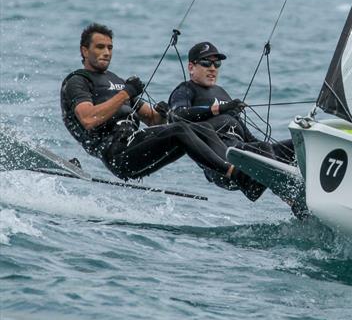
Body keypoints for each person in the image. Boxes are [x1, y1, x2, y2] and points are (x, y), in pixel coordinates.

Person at [60, 23, 255, 194]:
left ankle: (239, 170)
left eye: (110, 47)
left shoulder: (116, 81)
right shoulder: (78, 81)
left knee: (197, 127)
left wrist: (163, 113)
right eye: (100, 47)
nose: (107, 52)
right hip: (116, 154)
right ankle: (232, 173)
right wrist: (126, 94)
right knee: (180, 130)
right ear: (85, 51)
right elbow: (88, 119)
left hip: (134, 141)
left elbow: (153, 120)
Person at [167, 41, 300, 207]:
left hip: (244, 152)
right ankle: (294, 201)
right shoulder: (185, 90)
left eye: (217, 64)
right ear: (191, 67)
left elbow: (249, 139)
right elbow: (178, 116)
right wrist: (218, 109)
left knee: (298, 147)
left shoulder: (221, 93)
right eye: (206, 63)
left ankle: (314, 192)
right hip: (223, 162)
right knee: (264, 149)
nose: (213, 68)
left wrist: (272, 154)